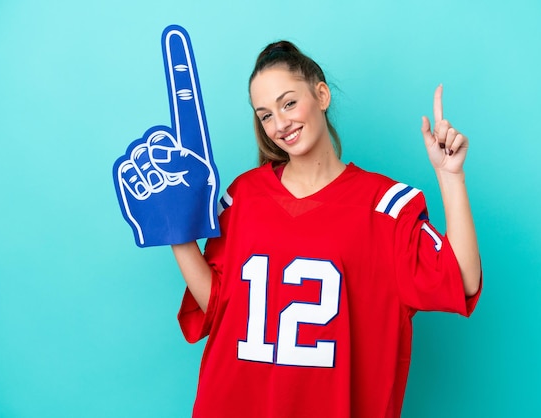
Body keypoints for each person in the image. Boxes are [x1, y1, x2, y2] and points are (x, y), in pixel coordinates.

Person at [171, 40, 482, 418]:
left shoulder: (385, 206)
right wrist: (177, 235)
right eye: (265, 114)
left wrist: (450, 177)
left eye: (288, 103)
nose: (280, 124)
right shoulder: (243, 197)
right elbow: (220, 307)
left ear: (321, 94)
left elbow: (462, 280)